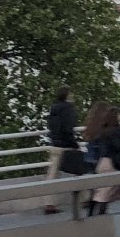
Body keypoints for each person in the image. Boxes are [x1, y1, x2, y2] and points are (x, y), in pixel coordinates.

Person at [88, 106, 120, 216]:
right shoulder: (117, 131)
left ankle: (92, 213)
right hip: (113, 164)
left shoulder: (103, 130)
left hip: (103, 162)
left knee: (102, 190)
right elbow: (118, 146)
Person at [44, 85, 79, 214]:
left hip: (55, 144)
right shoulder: (68, 109)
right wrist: (74, 144)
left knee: (52, 175)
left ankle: (49, 203)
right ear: (67, 96)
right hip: (66, 146)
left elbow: (52, 127)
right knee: (80, 170)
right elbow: (68, 129)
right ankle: (86, 198)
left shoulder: (54, 108)